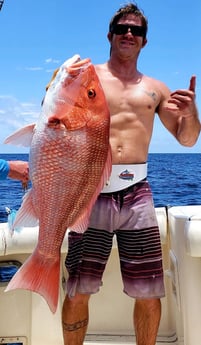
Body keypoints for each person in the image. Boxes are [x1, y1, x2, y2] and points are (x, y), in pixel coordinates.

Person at [61, 3, 200, 345]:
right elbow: (55, 114)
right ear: (109, 35)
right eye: (123, 28)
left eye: (136, 31)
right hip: (89, 188)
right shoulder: (86, 77)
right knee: (79, 289)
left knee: (149, 293)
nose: (129, 34)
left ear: (144, 42)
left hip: (138, 192)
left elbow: (187, 139)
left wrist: (192, 112)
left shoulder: (156, 88)